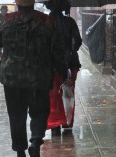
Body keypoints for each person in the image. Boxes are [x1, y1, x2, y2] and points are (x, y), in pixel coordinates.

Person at [0, 0, 67, 156]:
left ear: (16, 3)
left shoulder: (7, 19)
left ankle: (20, 150)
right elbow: (56, 49)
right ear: (33, 3)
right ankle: (35, 141)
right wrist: (62, 71)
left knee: (16, 114)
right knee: (40, 111)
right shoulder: (47, 21)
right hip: (38, 75)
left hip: (12, 76)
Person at [44, 0, 82, 136]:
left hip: (50, 67)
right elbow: (77, 42)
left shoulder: (44, 22)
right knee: (68, 93)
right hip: (70, 65)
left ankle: (55, 125)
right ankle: (67, 122)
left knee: (53, 96)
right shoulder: (69, 22)